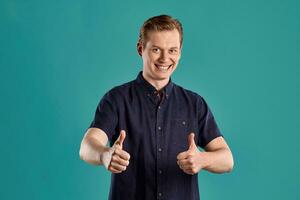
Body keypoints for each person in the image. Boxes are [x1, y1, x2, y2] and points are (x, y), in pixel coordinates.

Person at [79, 14, 234, 200]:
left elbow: (227, 160)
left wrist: (203, 160)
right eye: (156, 49)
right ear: (140, 49)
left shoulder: (195, 103)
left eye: (172, 50)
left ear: (180, 52)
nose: (165, 58)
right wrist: (105, 155)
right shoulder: (116, 99)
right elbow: (87, 147)